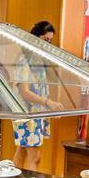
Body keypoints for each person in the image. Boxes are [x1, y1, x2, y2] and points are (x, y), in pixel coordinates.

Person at [13, 20, 64, 169]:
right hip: (26, 114)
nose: (47, 44)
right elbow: (25, 92)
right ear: (35, 37)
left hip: (37, 113)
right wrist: (48, 103)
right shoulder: (25, 60)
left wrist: (49, 107)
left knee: (23, 150)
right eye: (45, 39)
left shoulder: (38, 60)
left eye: (50, 41)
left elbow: (41, 88)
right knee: (34, 156)